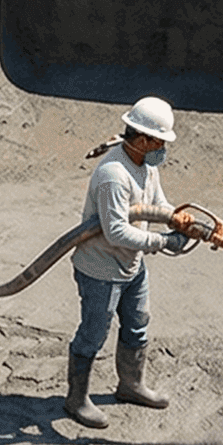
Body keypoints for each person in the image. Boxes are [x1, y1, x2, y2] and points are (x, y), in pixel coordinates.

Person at [65, 95, 191, 428]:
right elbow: (116, 232)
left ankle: (131, 385)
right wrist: (163, 241)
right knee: (93, 335)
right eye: (161, 141)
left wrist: (178, 219)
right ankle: (76, 400)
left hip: (131, 266)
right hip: (101, 270)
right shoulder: (113, 175)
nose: (164, 147)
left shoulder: (146, 165)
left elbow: (157, 204)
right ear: (145, 139)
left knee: (138, 323)